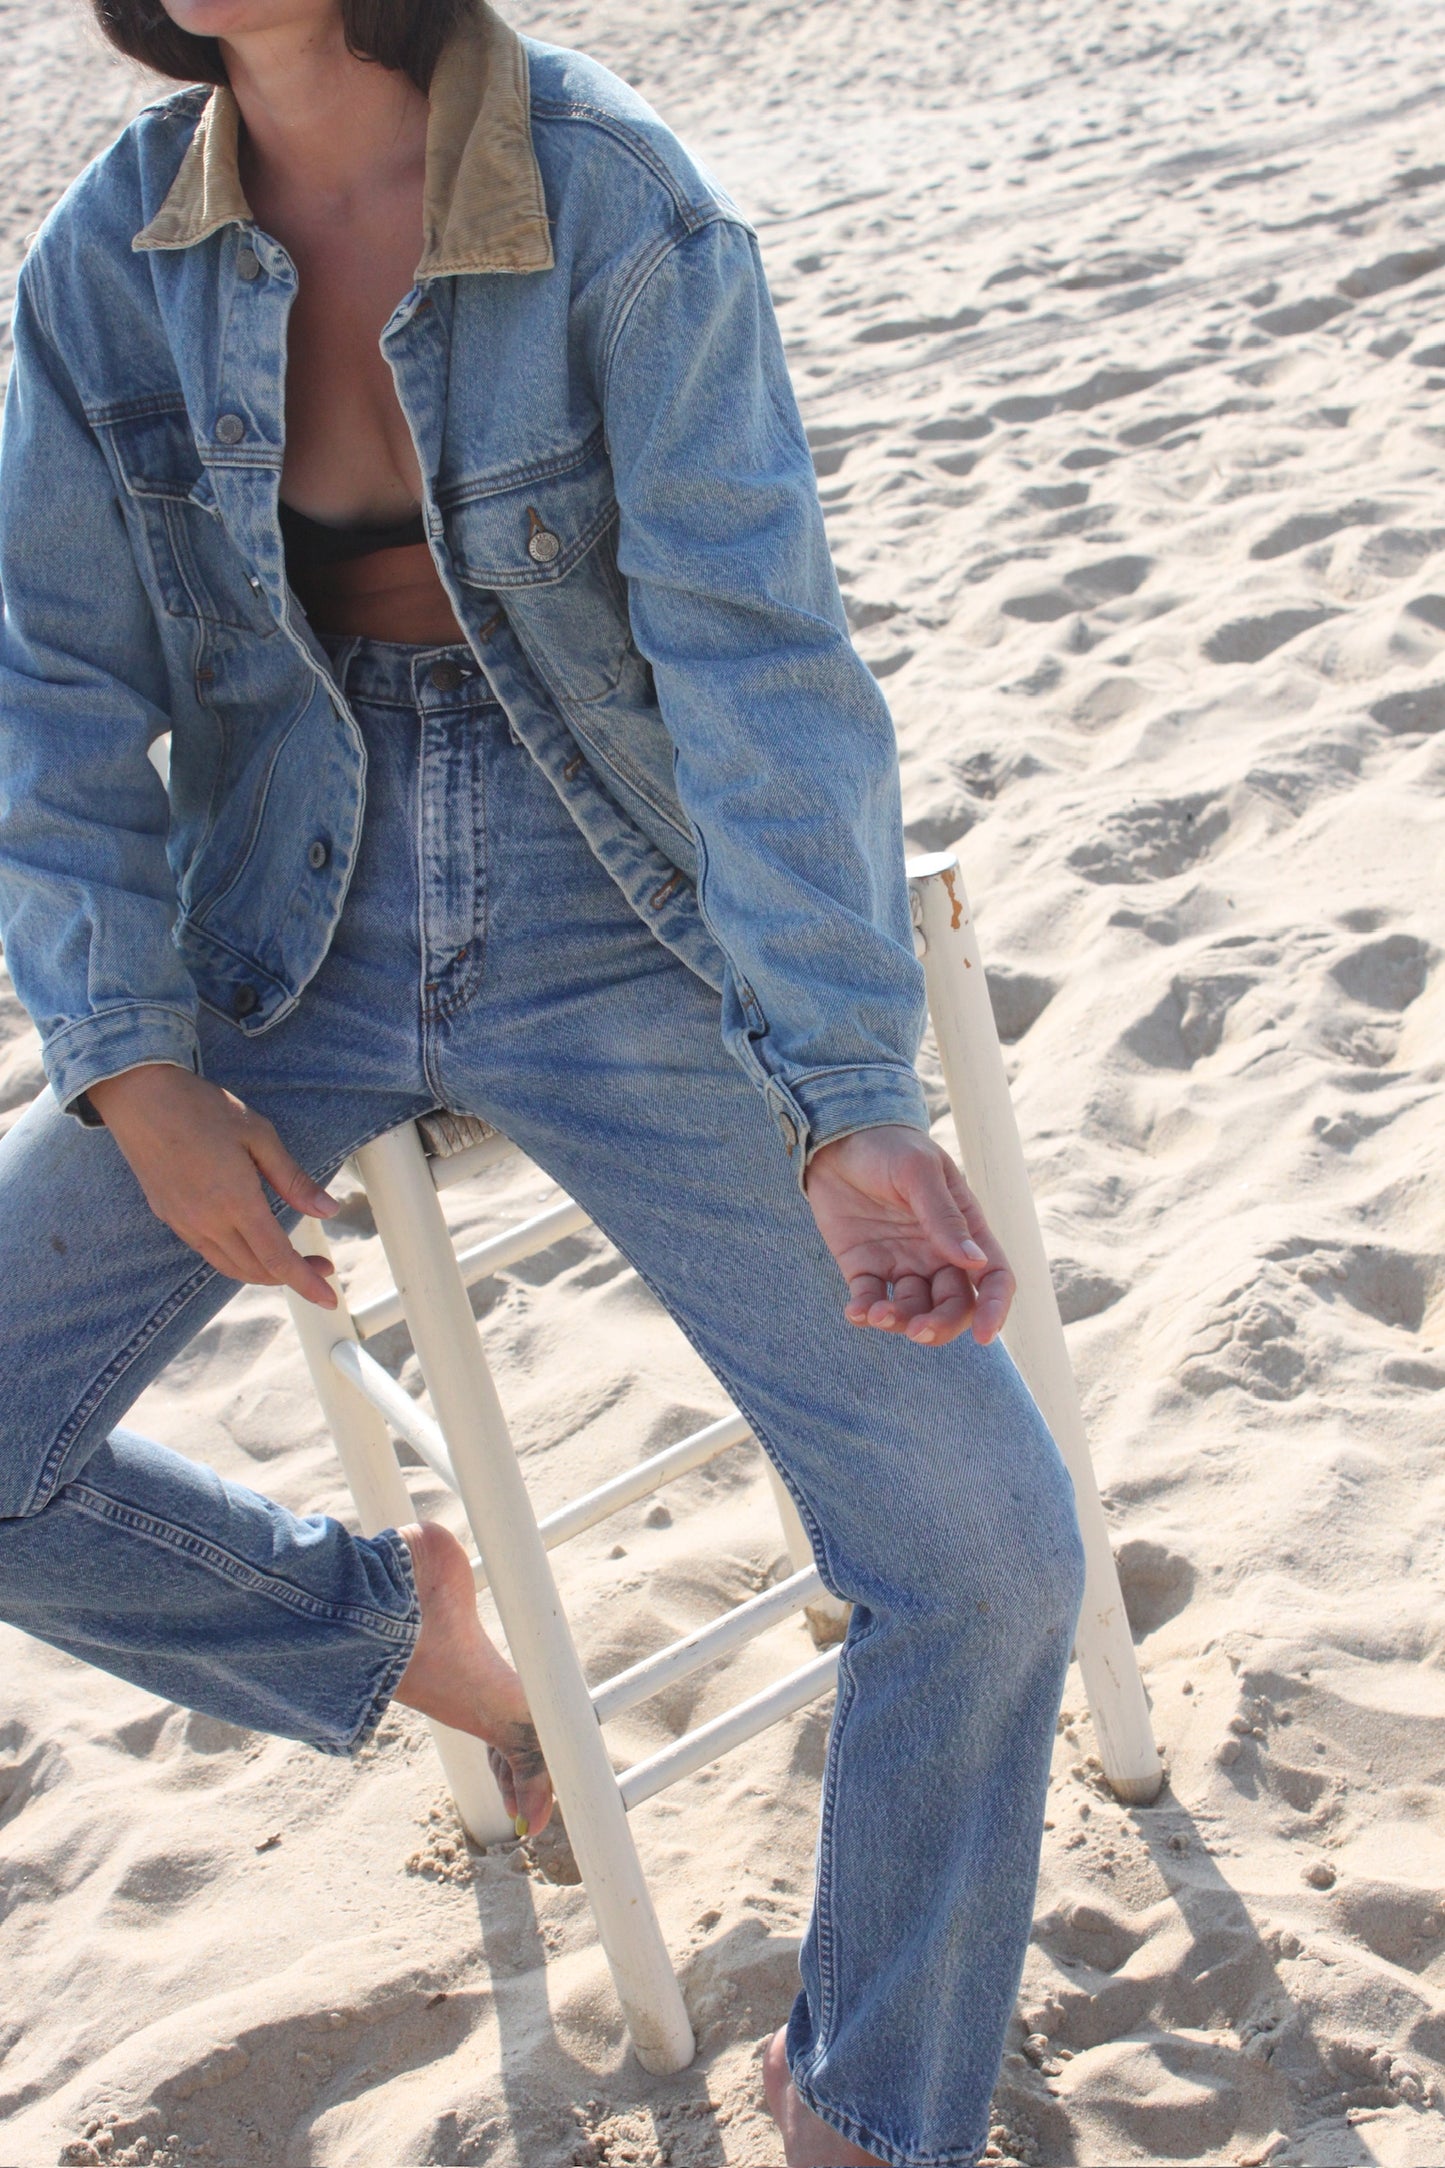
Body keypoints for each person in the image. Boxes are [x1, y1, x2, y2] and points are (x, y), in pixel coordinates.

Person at [0, 1, 1086, 2159]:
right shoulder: (105, 258)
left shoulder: (610, 193)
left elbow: (757, 659)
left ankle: (869, 2110)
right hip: (283, 915)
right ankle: (400, 1630)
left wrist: (845, 1089)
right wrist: (131, 1063)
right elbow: (52, 690)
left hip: (630, 903)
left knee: (988, 1558)